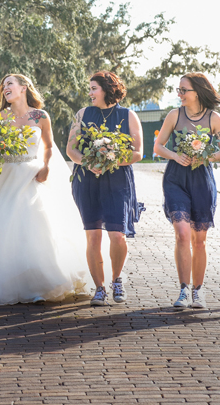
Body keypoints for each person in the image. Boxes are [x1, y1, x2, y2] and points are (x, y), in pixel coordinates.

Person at [0, 74, 91, 305]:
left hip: (31, 174)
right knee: (0, 223)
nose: (5, 87)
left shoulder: (40, 116)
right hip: (5, 175)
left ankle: (41, 283)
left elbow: (49, 146)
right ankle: (2, 282)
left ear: (24, 88)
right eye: (4, 85)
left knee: (35, 224)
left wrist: (46, 168)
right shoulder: (1, 117)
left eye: (10, 83)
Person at [66, 71, 144, 306]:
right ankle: (99, 288)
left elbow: (138, 152)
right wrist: (90, 163)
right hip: (87, 181)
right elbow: (71, 149)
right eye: (89, 89)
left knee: (117, 235)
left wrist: (109, 162)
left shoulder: (128, 115)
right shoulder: (82, 114)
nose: (89, 93)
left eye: (93, 88)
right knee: (93, 237)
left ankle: (117, 279)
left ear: (107, 89)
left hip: (117, 181)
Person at [153, 73, 220, 309]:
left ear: (197, 91)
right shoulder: (174, 115)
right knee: (183, 234)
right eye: (179, 90)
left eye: (184, 90)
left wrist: (206, 156)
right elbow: (158, 146)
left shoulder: (214, 118)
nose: (180, 94)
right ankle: (184, 289)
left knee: (199, 241)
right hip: (176, 178)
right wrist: (176, 155)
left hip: (202, 179)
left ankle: (198, 290)